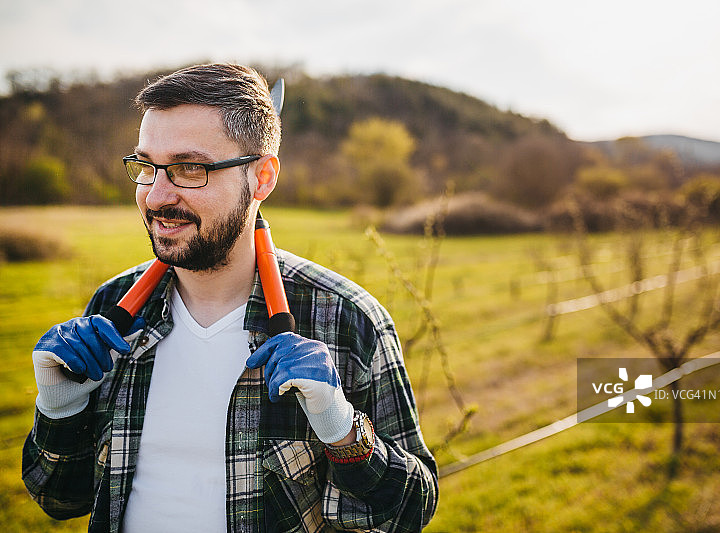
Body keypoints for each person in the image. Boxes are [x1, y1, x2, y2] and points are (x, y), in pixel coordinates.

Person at [22, 63, 438, 532]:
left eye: (190, 168)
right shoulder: (110, 310)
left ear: (262, 178)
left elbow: (410, 511)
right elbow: (58, 499)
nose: (155, 197)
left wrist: (343, 432)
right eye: (146, 167)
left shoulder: (348, 318)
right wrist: (59, 407)